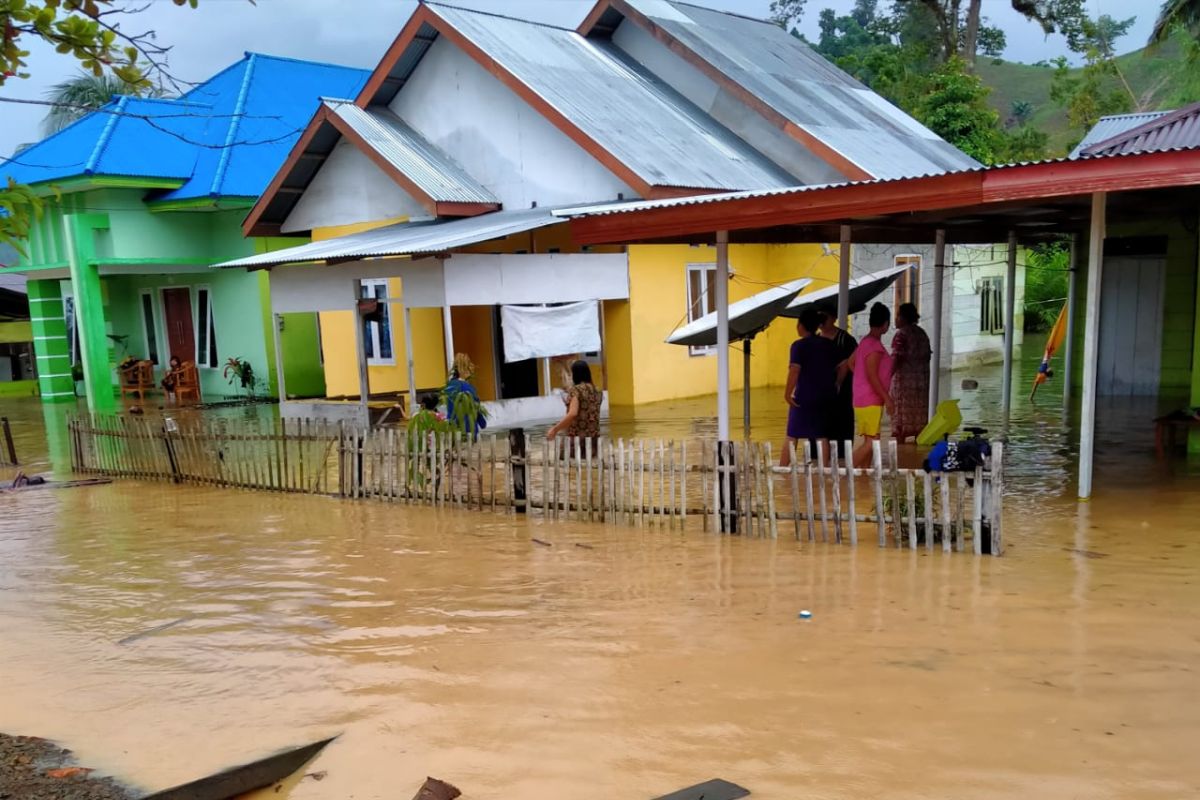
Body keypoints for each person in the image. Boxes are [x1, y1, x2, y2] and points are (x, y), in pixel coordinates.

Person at [782, 307, 839, 466]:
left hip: (804, 396)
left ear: (801, 325)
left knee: (792, 434)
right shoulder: (828, 345)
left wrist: (787, 394)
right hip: (824, 396)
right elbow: (840, 366)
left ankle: (781, 472)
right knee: (821, 435)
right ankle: (825, 470)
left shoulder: (798, 346)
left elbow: (794, 371)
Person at [850, 302, 894, 468]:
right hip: (871, 400)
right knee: (872, 443)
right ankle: (843, 474)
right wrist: (887, 398)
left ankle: (862, 481)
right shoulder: (874, 346)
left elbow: (850, 363)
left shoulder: (865, 342)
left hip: (863, 398)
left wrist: (860, 382)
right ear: (885, 324)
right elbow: (872, 375)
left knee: (869, 441)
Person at [818, 306, 858, 453]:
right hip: (821, 396)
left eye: (825, 317)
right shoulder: (815, 339)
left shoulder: (846, 340)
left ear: (834, 318)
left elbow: (849, 364)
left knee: (842, 432)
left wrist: (838, 383)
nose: (821, 322)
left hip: (842, 395)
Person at [890, 302, 931, 442]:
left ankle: (901, 454)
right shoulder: (922, 333)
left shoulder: (901, 335)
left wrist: (886, 376)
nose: (895, 320)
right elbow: (928, 357)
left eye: (897, 316)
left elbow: (896, 357)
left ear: (903, 318)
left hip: (904, 385)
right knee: (919, 423)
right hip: (921, 384)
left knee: (901, 427)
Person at [547, 360, 601, 449]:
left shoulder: (576, 390)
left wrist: (555, 429)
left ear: (575, 374)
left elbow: (573, 413)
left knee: (559, 447)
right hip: (594, 444)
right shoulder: (597, 391)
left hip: (577, 444)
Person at [444, 353, 487, 437]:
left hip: (454, 428)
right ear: (464, 369)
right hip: (469, 427)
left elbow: (450, 408)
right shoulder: (469, 388)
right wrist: (482, 422)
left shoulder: (450, 385)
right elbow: (475, 407)